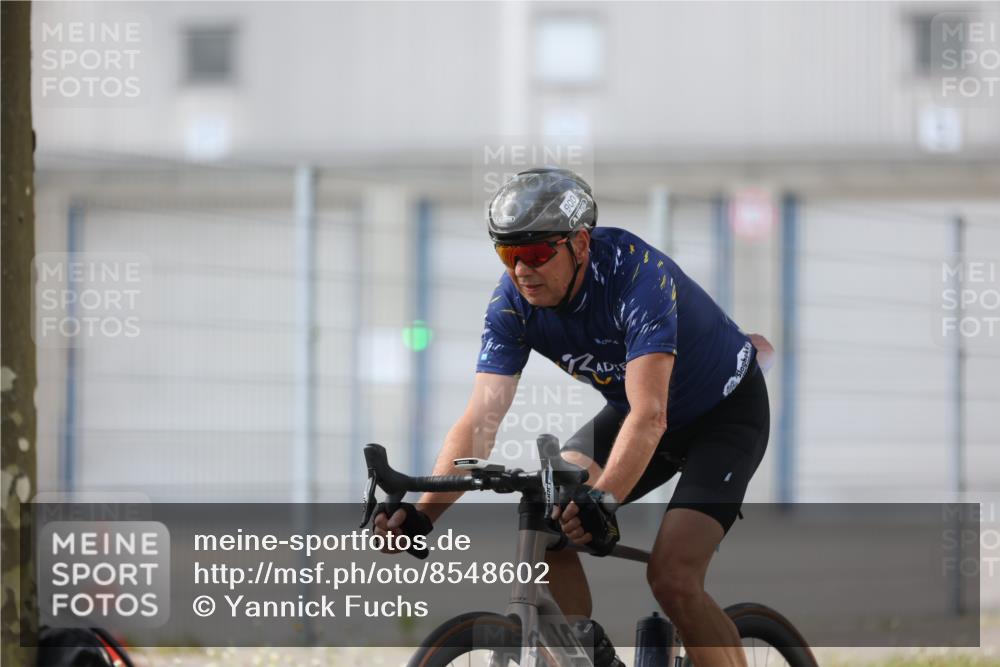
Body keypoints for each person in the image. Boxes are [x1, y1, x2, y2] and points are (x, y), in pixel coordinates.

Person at [375, 168, 774, 667]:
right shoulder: (513, 305)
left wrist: (602, 500)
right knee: (549, 514)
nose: (522, 269)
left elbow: (652, 415)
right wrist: (422, 513)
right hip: (635, 414)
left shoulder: (636, 277)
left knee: (672, 577)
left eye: (538, 253)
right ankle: (580, 653)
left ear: (580, 244)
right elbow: (481, 419)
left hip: (723, 416)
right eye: (508, 254)